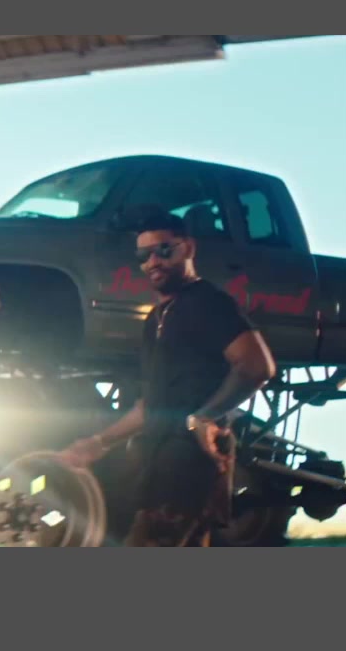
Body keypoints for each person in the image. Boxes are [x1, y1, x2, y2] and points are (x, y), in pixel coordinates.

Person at [60, 211, 276, 546]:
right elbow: (149, 405)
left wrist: (204, 417)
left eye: (163, 250)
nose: (153, 262)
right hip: (158, 468)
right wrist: (99, 443)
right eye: (143, 255)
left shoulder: (209, 303)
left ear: (188, 248)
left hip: (189, 464)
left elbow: (257, 367)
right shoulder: (156, 319)